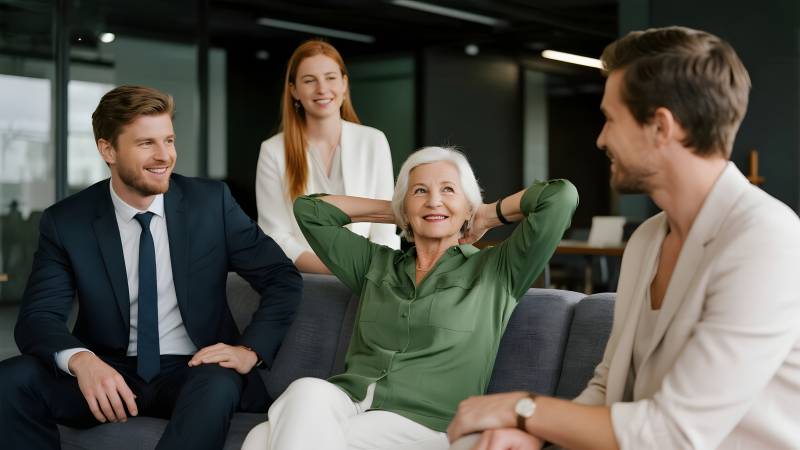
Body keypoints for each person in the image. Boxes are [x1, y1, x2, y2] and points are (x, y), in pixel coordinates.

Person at [447, 26, 800, 450]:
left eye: (611, 119)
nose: (600, 139)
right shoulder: (648, 239)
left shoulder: (766, 241)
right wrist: (530, 433)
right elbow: (607, 387)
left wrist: (523, 409)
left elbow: (674, 434)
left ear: (661, 127)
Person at [0, 85, 303, 450]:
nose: (165, 156)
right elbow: (38, 317)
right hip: (110, 371)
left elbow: (280, 276)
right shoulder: (67, 222)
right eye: (146, 143)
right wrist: (82, 361)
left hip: (195, 369)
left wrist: (249, 351)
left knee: (218, 383)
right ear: (107, 150)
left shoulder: (211, 204)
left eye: (169, 140)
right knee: (12, 377)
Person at [241, 146, 578, 449]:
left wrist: (488, 213)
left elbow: (560, 197)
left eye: (448, 190)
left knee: (261, 439)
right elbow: (311, 210)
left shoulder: (498, 271)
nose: (434, 200)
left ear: (468, 205)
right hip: (350, 400)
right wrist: (403, 211)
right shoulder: (376, 264)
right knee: (306, 390)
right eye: (420, 191)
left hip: (424, 423)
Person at [256, 39, 400, 274]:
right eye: (309, 80)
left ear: (344, 84)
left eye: (331, 77)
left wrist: (370, 272)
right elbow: (276, 235)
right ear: (293, 90)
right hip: (306, 279)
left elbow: (384, 225)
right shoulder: (273, 150)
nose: (322, 89)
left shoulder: (373, 141)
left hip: (368, 277)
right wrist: (334, 270)